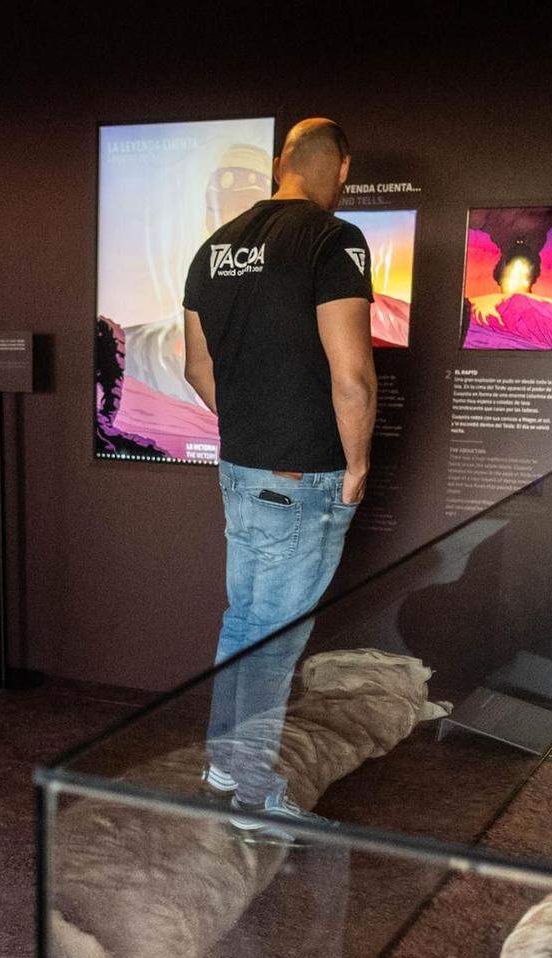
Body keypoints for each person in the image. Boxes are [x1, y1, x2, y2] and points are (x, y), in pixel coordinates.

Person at [182, 118, 377, 836]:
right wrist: (356, 466)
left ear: (279, 164)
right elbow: (351, 375)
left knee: (246, 621)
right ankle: (254, 795)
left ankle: (226, 765)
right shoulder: (334, 240)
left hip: (242, 466)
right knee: (277, 633)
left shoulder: (216, 247)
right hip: (306, 475)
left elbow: (196, 368)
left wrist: (252, 424)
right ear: (341, 169)